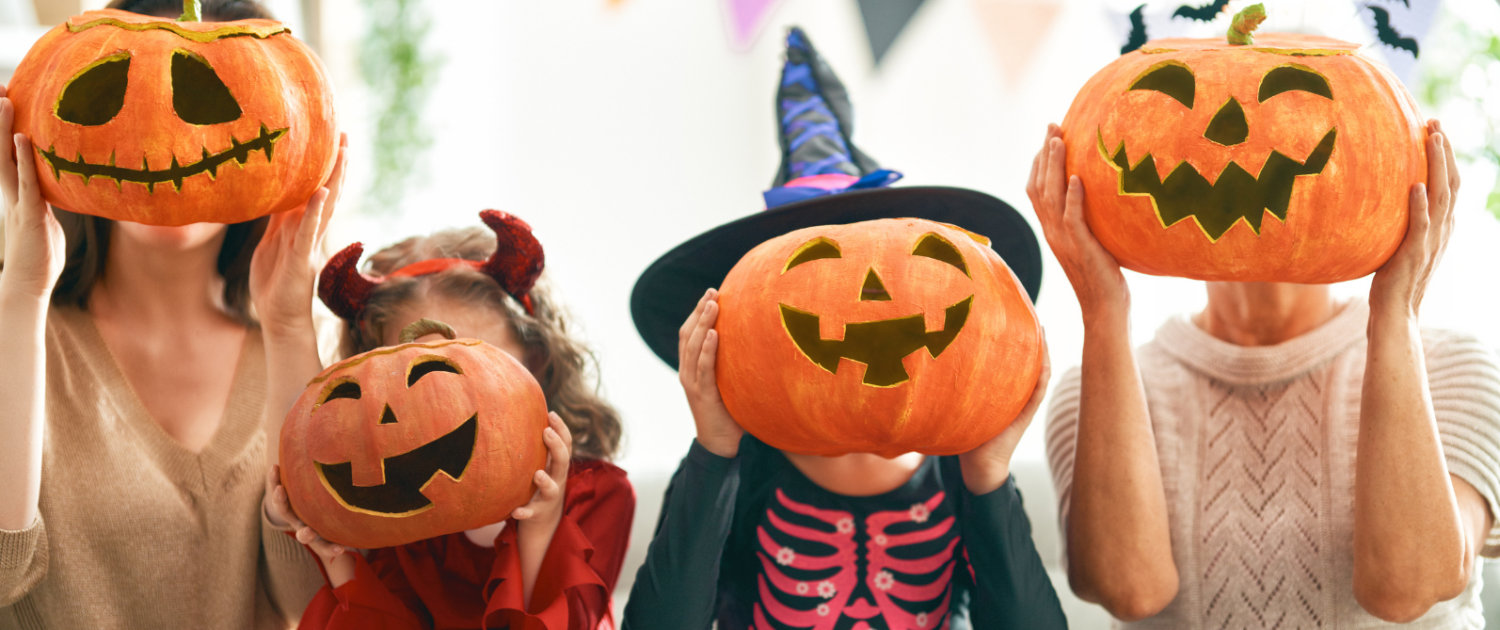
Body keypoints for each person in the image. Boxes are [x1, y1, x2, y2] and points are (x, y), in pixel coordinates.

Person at [621, 28, 1068, 629]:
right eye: (814, 270)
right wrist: (715, 449)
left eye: (900, 264)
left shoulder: (958, 466)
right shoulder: (743, 460)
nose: (870, 296)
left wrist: (989, 476)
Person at [1035, 117, 1500, 628]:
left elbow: (1406, 587)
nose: (1232, 145)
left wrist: (1396, 311)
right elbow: (1128, 591)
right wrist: (1102, 311)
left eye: (1279, 127)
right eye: (1198, 124)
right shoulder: (1094, 386)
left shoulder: (1454, 369)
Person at [0, 0, 339, 627]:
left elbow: (314, 601)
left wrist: (290, 328)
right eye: (115, 99)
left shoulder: (311, 353)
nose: (165, 141)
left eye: (208, 102)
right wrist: (20, 294)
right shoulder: (21, 335)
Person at [263, 211, 634, 630]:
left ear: (536, 359)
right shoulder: (401, 511)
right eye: (415, 378)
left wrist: (541, 526)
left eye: (474, 362)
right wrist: (338, 554)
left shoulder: (599, 493)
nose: (449, 403)